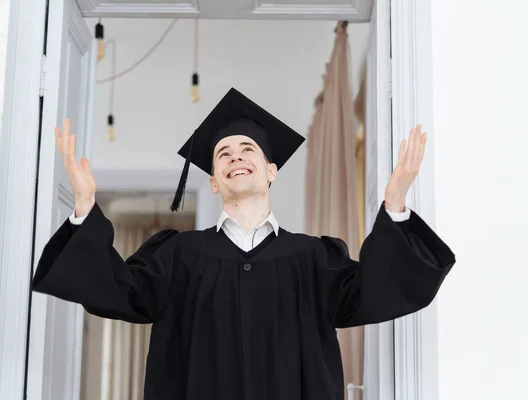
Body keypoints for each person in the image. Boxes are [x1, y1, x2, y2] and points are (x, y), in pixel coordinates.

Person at [31, 87, 455, 400]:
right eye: (224, 154)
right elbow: (118, 291)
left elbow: (373, 293)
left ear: (271, 171)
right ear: (213, 182)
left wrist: (396, 202)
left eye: (247, 149)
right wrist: (85, 204)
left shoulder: (313, 259)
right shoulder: (177, 256)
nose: (236, 157)